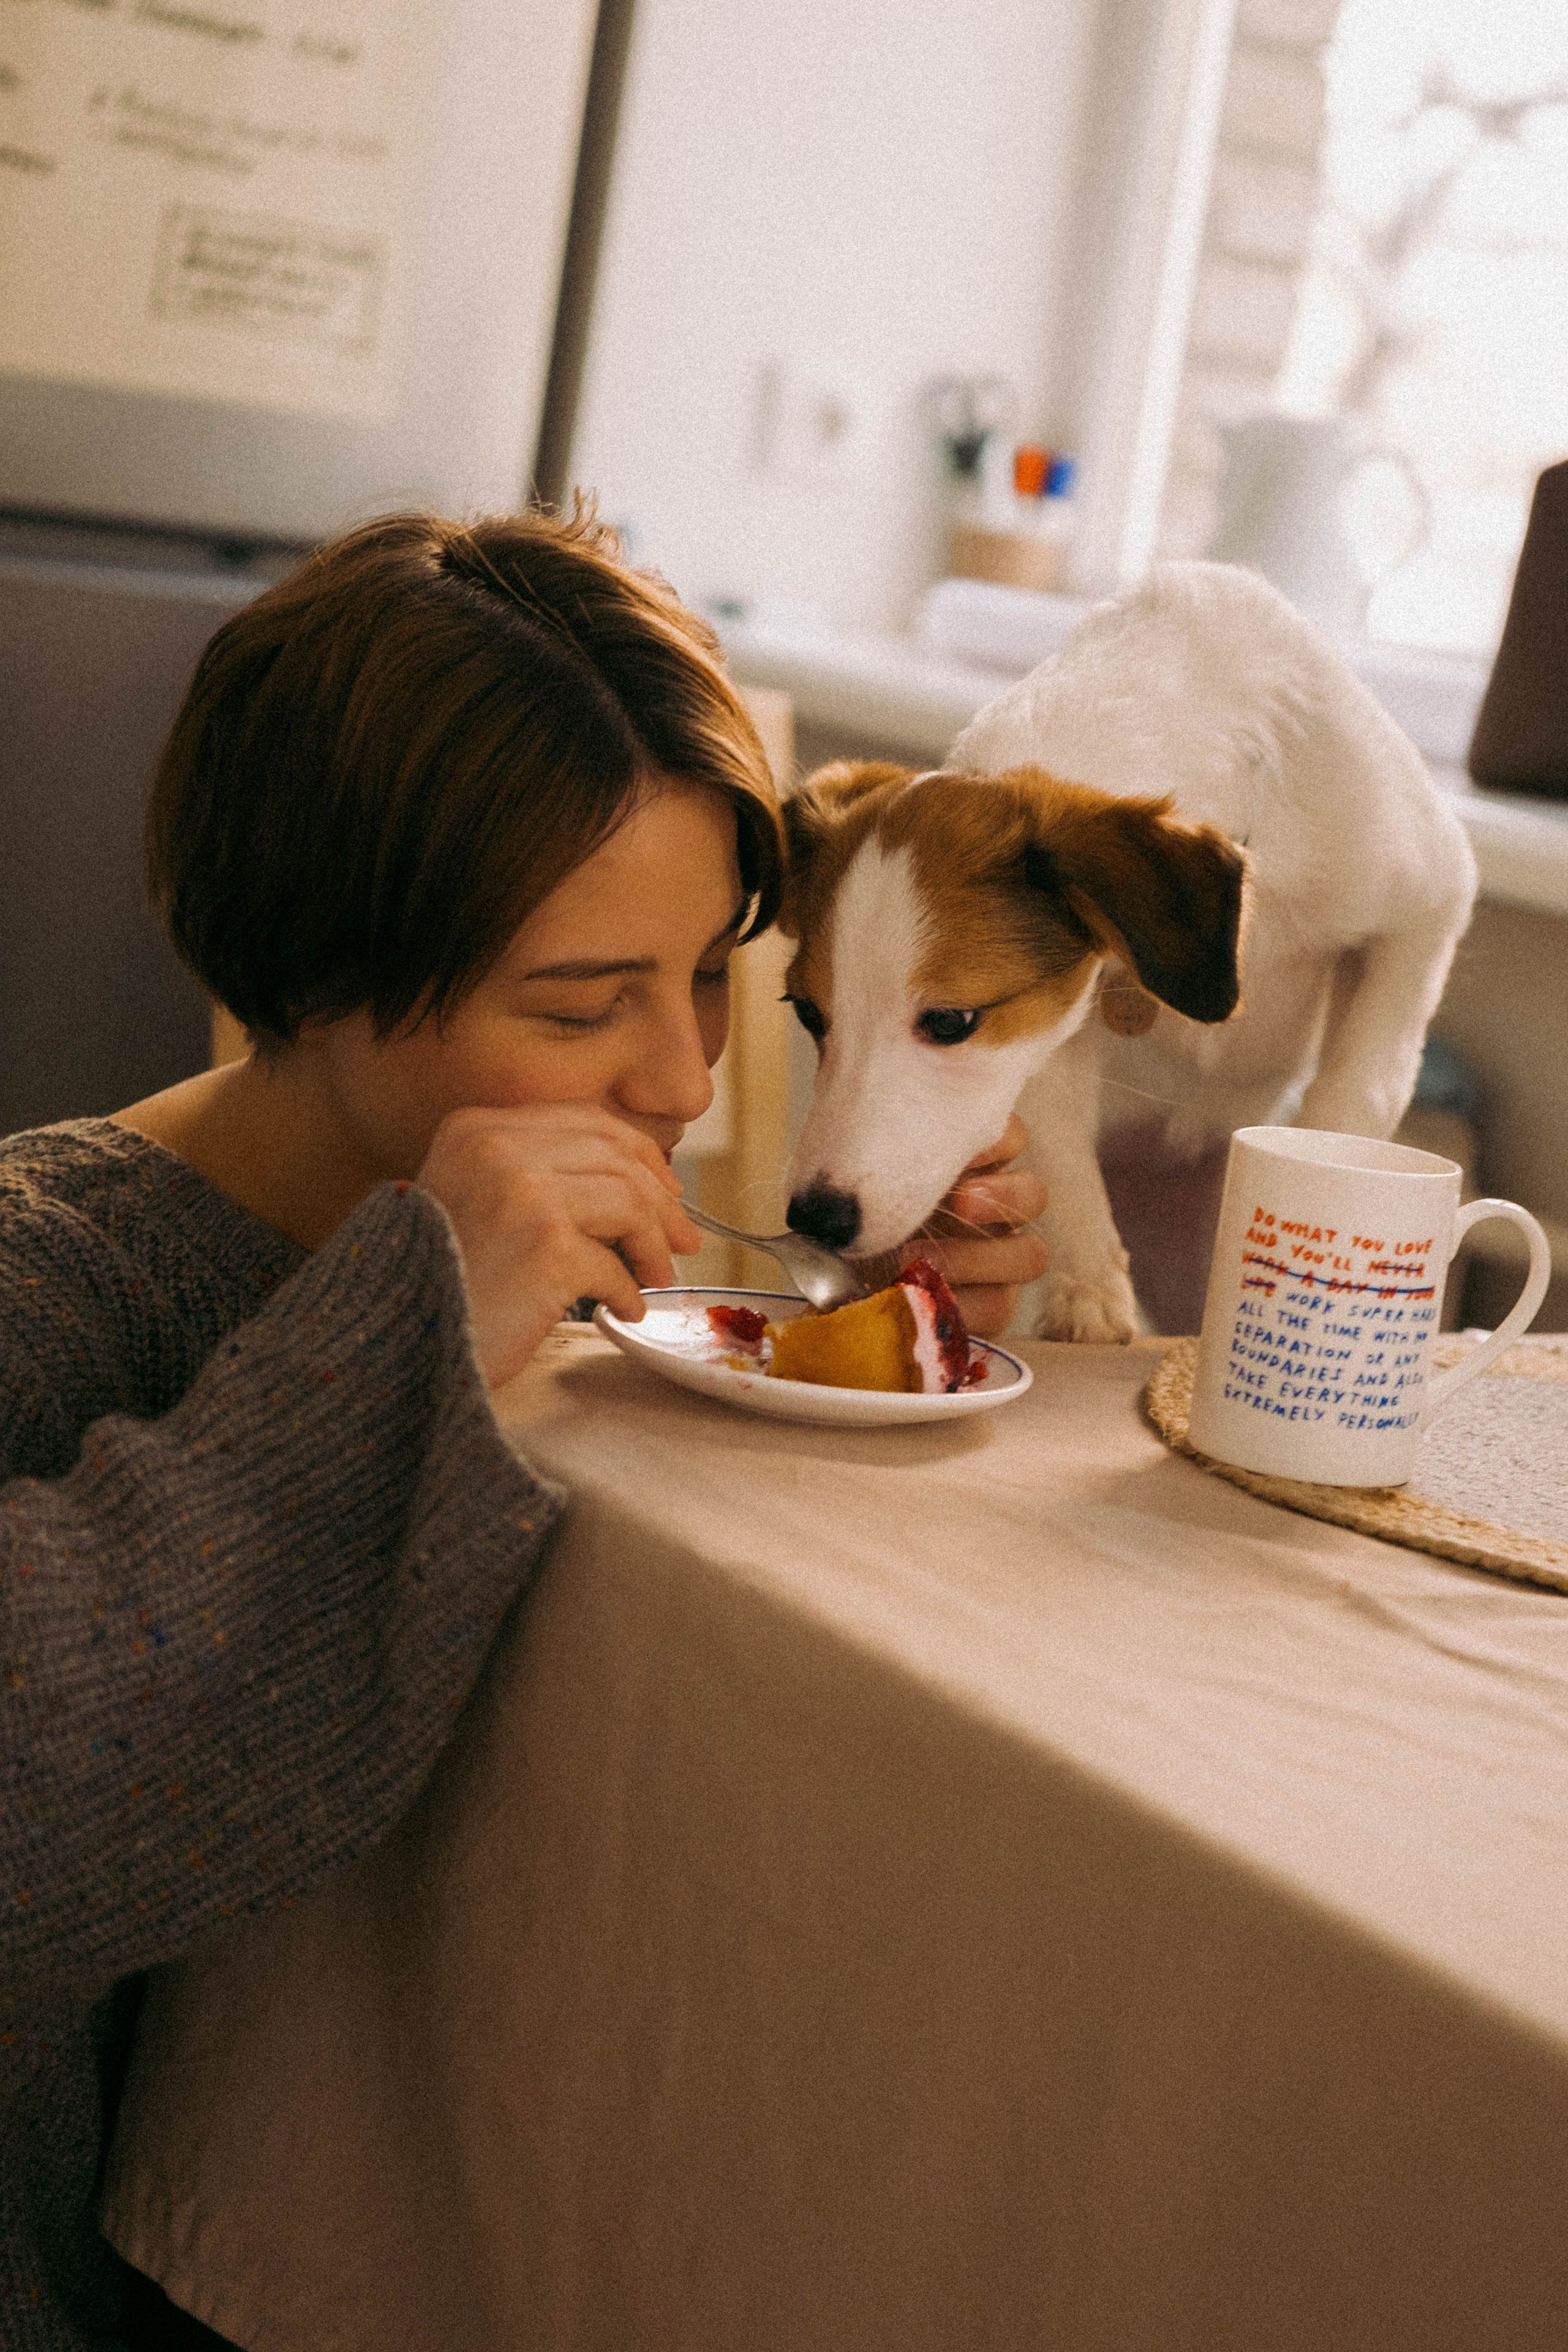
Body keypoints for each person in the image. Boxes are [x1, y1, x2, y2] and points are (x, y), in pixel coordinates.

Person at [0, 504, 1046, 2349]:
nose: (688, 1077)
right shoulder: (52, 1287)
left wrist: (890, 1311)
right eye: (578, 1006)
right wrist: (413, 1329)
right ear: (312, 976)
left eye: (710, 970)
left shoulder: (559, 1269)